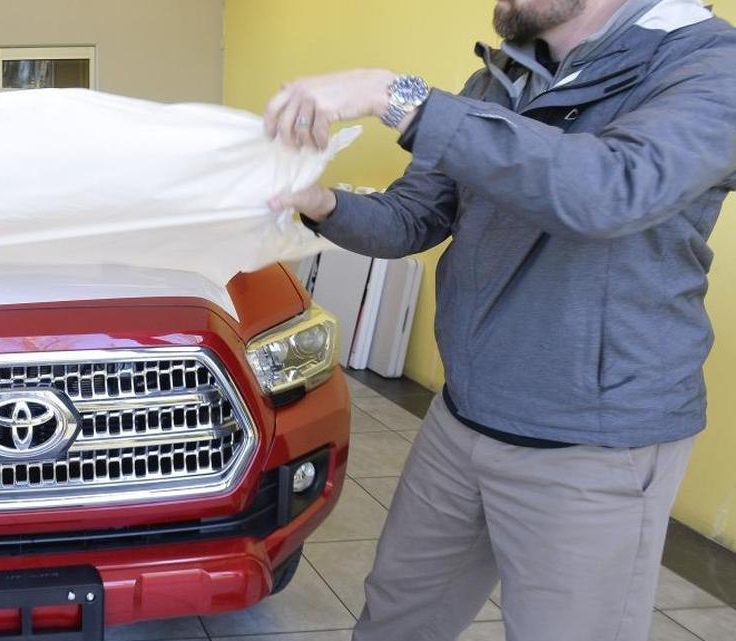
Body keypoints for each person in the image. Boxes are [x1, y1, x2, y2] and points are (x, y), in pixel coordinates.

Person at [263, 0, 736, 640]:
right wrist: (318, 203)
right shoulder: (498, 80)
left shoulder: (705, 63)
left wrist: (394, 95)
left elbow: (608, 189)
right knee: (397, 618)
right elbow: (412, 219)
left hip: (591, 446)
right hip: (462, 421)